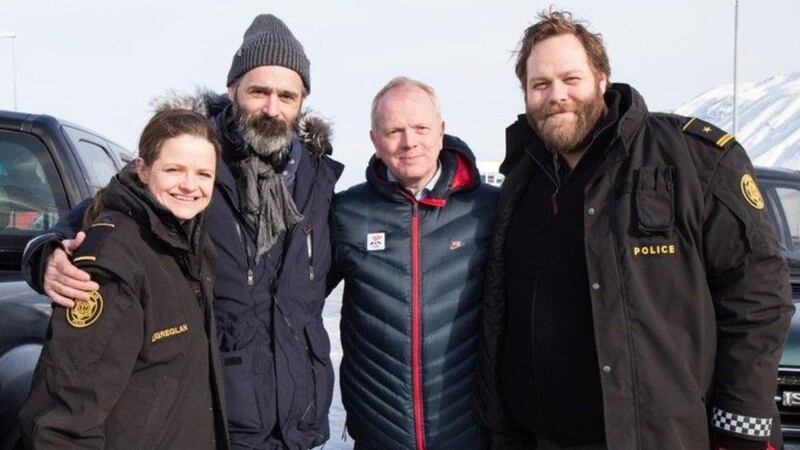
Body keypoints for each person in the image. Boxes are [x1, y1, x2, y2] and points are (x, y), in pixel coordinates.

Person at [472, 10, 794, 450]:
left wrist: (742, 421)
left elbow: (757, 296)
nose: (556, 96)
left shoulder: (690, 158)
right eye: (540, 85)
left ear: (602, 78)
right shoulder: (521, 180)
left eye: (571, 79)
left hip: (658, 436)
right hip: (537, 437)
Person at [21, 14, 342, 450]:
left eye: (287, 95)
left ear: (303, 100)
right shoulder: (196, 163)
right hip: (220, 419)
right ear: (233, 91)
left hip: (298, 426)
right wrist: (47, 252)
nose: (272, 108)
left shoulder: (318, 182)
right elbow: (106, 209)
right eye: (258, 91)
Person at [19, 107, 227, 448]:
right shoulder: (111, 261)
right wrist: (45, 249)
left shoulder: (189, 240)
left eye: (204, 174)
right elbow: (64, 419)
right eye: (174, 169)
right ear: (142, 170)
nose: (190, 185)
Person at [328, 77, 497, 450]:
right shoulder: (347, 213)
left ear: (441, 131)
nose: (409, 142)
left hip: (469, 433)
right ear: (374, 139)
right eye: (394, 131)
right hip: (379, 435)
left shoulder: (488, 209)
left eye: (421, 128)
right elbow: (295, 303)